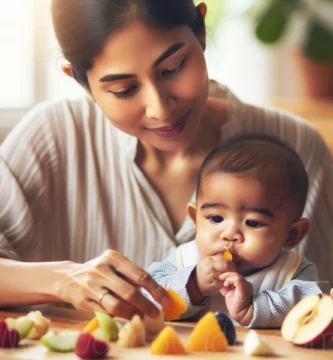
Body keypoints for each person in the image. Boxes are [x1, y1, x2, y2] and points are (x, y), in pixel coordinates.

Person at [0, 0, 332, 318]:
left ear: (200, 31)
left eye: (173, 68)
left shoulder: (298, 146)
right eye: (124, 90)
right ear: (80, 81)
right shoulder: (52, 138)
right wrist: (63, 280)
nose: (161, 109)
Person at [147, 134, 330, 328]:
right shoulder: (183, 260)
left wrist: (253, 308)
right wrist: (193, 286)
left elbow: (314, 308)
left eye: (252, 223)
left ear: (292, 234)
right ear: (195, 219)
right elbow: (146, 301)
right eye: (216, 219)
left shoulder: (294, 271)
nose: (229, 234)